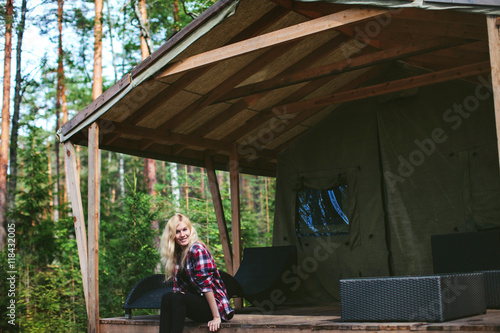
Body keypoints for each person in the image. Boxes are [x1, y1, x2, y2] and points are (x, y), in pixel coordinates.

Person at [159, 213, 234, 333]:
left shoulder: (197, 250)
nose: (182, 235)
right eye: (177, 231)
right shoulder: (177, 254)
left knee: (177, 297)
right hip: (198, 302)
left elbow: (206, 286)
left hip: (215, 307)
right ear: (171, 235)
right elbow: (177, 289)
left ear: (190, 230)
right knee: (167, 297)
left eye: (185, 229)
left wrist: (216, 317)